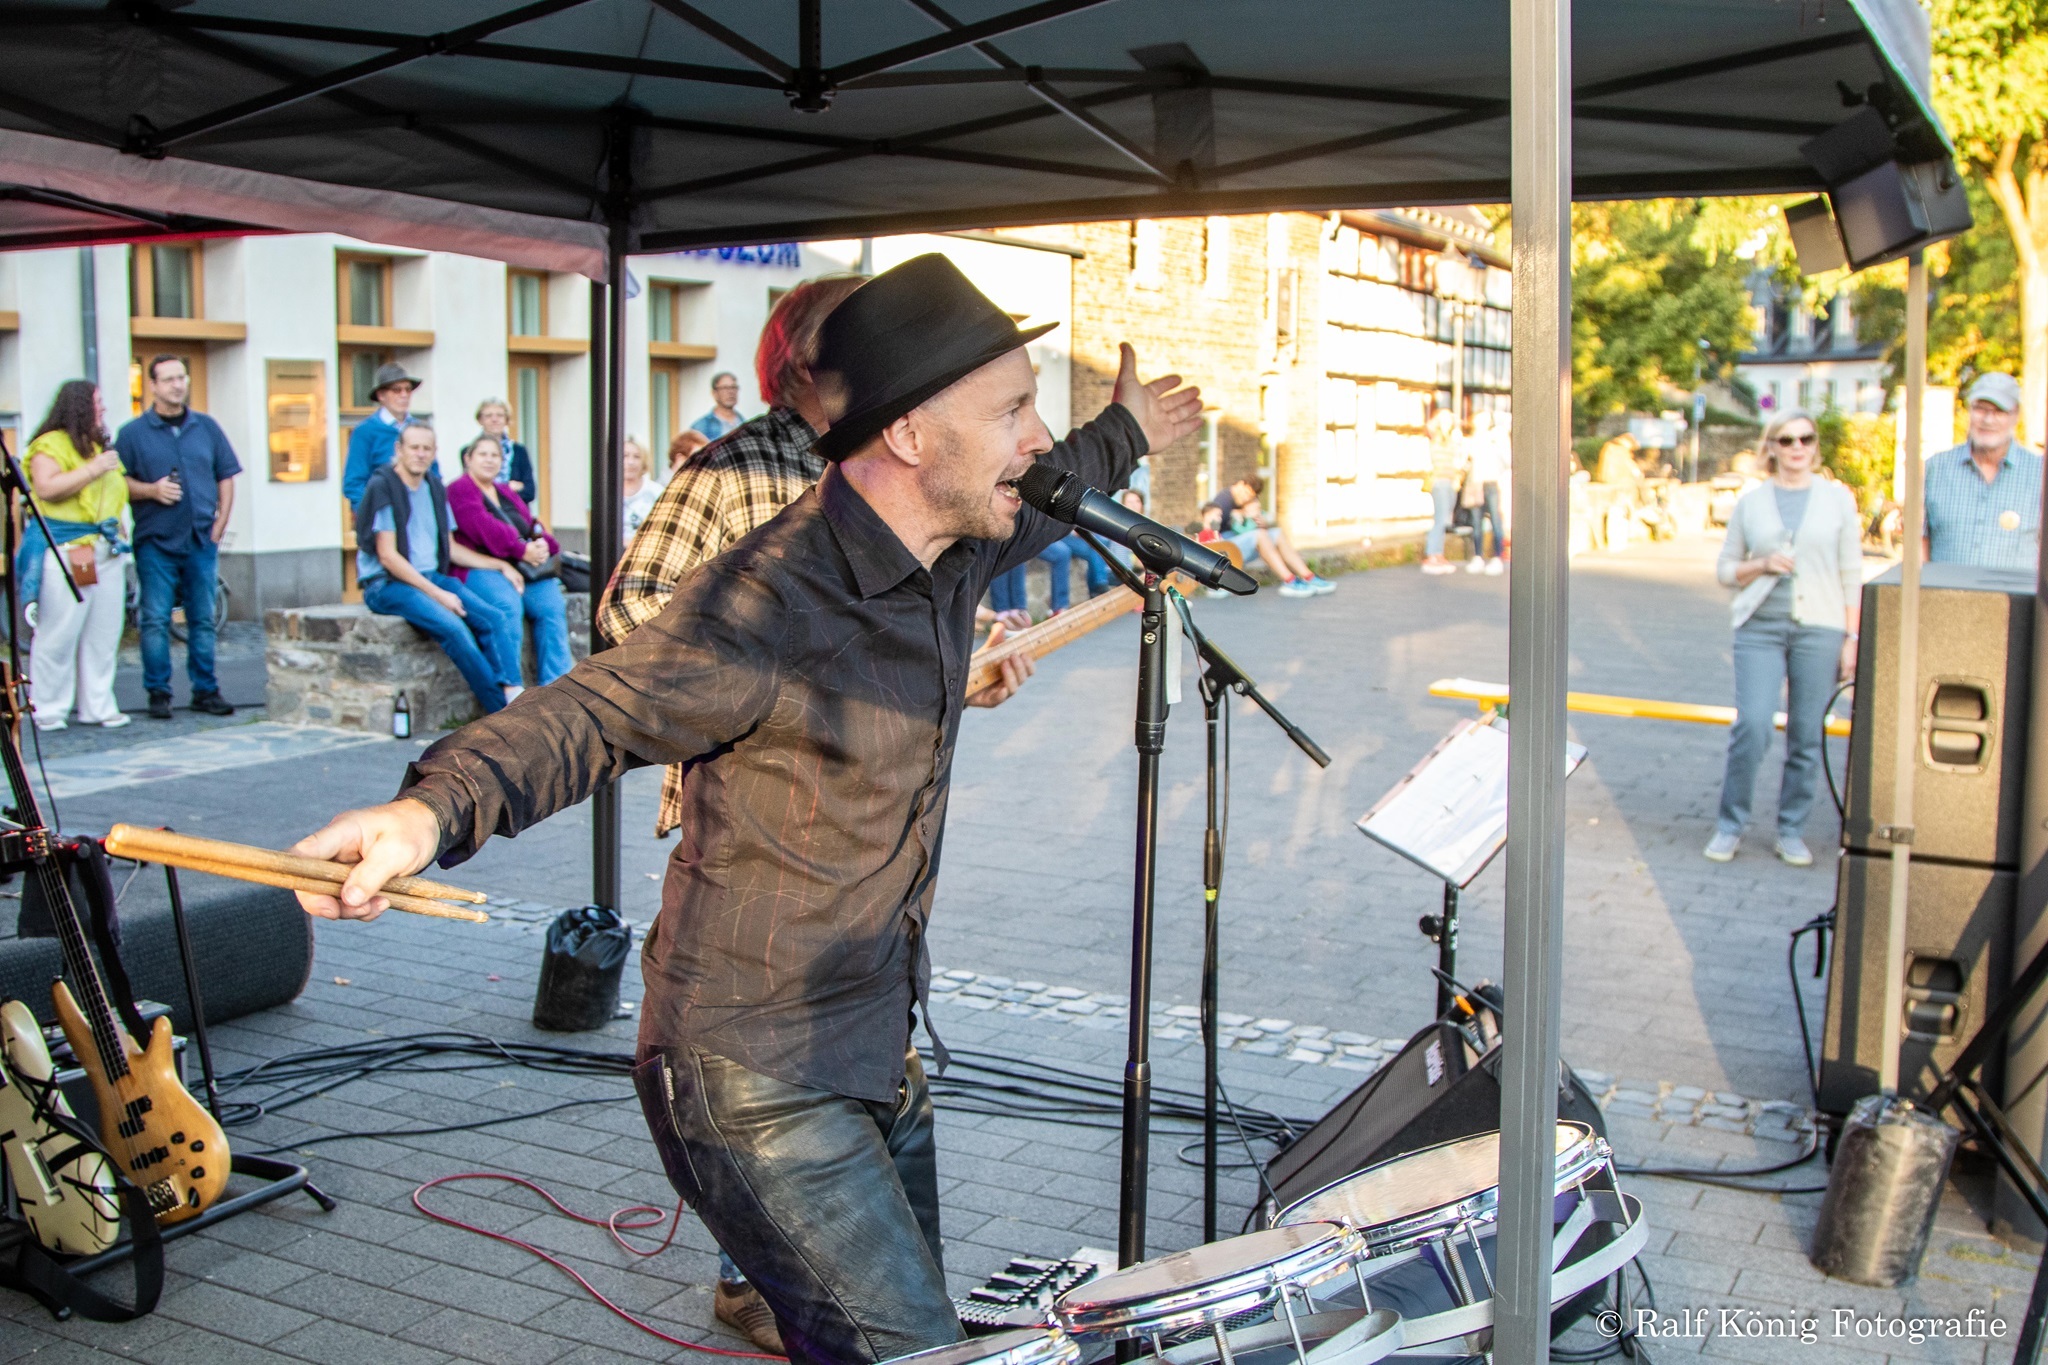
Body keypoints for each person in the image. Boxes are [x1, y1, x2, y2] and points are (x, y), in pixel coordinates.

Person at [290, 253, 1201, 1365]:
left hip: (871, 1039)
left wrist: (1129, 426)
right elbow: (594, 712)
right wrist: (430, 813)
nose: (1036, 437)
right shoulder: (769, 599)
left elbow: (1064, 483)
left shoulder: (955, 545)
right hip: (755, 1072)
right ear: (910, 434)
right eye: (1012, 410)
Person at [1706, 408, 1862, 867]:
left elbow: (1851, 573)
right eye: (1787, 439)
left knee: (1807, 732)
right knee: (1753, 724)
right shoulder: (1752, 502)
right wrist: (1762, 564)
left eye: (1806, 439)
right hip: (1760, 627)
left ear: (1815, 446)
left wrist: (1852, 636)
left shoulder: (1837, 500)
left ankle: (1791, 830)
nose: (1797, 448)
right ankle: (1730, 824)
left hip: (1821, 626)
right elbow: (1725, 570)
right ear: (1771, 447)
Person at [355, 422, 521, 716]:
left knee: (494, 619)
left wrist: (501, 565)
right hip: (387, 583)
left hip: (429, 577)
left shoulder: (433, 488)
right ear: (399, 450)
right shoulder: (383, 486)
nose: (420, 454)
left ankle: (514, 693)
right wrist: (438, 594)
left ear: (434, 452)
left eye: (427, 448)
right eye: (414, 447)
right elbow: (388, 557)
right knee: (454, 629)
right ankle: (503, 715)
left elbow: (451, 548)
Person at [114, 355, 241, 720]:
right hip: (156, 541)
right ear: (152, 385)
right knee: (155, 619)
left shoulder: (206, 427)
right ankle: (158, 693)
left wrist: (220, 524)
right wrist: (151, 490)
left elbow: (226, 475)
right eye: (168, 379)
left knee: (202, 619)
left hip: (200, 540)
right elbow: (116, 482)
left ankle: (206, 690)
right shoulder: (133, 433)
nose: (177, 385)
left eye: (181, 377)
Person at [19, 381, 132, 731]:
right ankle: (48, 708)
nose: (104, 409)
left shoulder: (97, 446)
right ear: (80, 407)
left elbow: (113, 493)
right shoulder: (49, 444)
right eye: (98, 403)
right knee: (60, 631)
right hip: (69, 550)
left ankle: (97, 705)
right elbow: (46, 489)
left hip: (106, 549)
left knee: (104, 633)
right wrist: (94, 469)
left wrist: (119, 525)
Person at [448, 434, 573, 686]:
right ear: (468, 459)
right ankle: (510, 689)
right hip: (478, 565)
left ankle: (557, 687)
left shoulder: (504, 491)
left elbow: (531, 523)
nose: (489, 460)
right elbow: (482, 527)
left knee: (550, 605)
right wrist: (521, 550)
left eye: (495, 455)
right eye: (483, 454)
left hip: (520, 566)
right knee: (508, 605)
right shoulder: (459, 489)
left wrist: (542, 545)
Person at [1923, 371, 2043, 570]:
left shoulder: (2040, 474)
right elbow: (1919, 541)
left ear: (2015, 415)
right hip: (1944, 590)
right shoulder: (1935, 469)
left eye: (1999, 411)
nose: (1988, 419)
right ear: (1969, 410)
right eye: (1980, 409)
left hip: (2015, 591)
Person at [1201, 474, 1332, 597]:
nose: (1246, 498)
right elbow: (1209, 532)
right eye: (1246, 493)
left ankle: (1309, 577)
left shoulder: (1243, 503)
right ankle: (1290, 581)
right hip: (1225, 549)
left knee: (1277, 533)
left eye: (1250, 497)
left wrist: (1262, 523)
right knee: (1260, 535)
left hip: (1239, 543)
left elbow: (1248, 527)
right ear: (1240, 484)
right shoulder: (1222, 501)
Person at [342, 362, 423, 506]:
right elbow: (354, 483)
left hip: (418, 508)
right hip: (383, 509)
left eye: (408, 389)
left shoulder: (420, 429)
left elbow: (433, 474)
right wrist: (372, 513)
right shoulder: (365, 431)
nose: (404, 395)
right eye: (397, 390)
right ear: (381, 395)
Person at [1421, 409, 1466, 575]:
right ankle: (1432, 554)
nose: (1447, 423)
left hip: (1450, 482)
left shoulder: (1453, 439)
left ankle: (1438, 553)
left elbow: (1459, 460)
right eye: (1444, 420)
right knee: (1440, 519)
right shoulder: (1436, 438)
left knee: (1445, 518)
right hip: (1439, 481)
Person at [1464, 410, 1508, 575]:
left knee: (1496, 519)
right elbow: (1466, 460)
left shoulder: (1496, 436)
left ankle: (1497, 557)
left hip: (1491, 481)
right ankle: (1478, 556)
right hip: (1475, 483)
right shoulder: (1472, 439)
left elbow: (1507, 459)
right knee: (1476, 522)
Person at [474, 398, 539, 505]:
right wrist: (510, 488)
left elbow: (530, 492)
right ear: (480, 420)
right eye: (489, 415)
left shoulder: (519, 451)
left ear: (506, 420)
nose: (494, 419)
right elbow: (473, 490)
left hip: (515, 512)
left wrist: (494, 490)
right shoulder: (470, 452)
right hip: (483, 511)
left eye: (500, 415)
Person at [622, 437, 662, 541]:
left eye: (637, 457)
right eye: (625, 456)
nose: (630, 462)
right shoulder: (606, 493)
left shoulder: (657, 492)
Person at [689, 371, 746, 441]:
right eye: (725, 388)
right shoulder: (701, 427)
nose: (731, 392)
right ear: (714, 393)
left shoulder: (744, 423)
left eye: (733, 387)